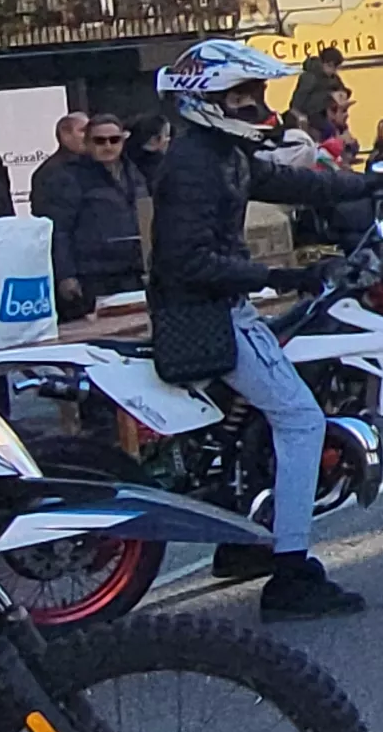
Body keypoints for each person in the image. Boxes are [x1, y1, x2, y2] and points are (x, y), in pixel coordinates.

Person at [148, 39, 371, 619]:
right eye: (244, 95)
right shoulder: (195, 166)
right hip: (209, 312)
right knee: (301, 420)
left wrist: (368, 183)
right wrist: (281, 275)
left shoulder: (221, 153)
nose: (258, 105)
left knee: (246, 422)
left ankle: (243, 539)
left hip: (215, 305)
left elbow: (291, 183)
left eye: (258, 93)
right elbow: (187, 261)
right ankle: (291, 573)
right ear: (208, 100)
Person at [36, 115, 145, 302]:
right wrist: (66, 275)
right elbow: (59, 230)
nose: (108, 146)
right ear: (87, 143)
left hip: (134, 271)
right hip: (92, 275)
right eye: (99, 141)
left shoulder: (134, 172)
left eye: (114, 140)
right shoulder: (68, 176)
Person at [28, 112, 87, 217]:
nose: (90, 136)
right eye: (83, 130)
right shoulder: (51, 172)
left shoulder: (95, 166)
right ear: (66, 134)